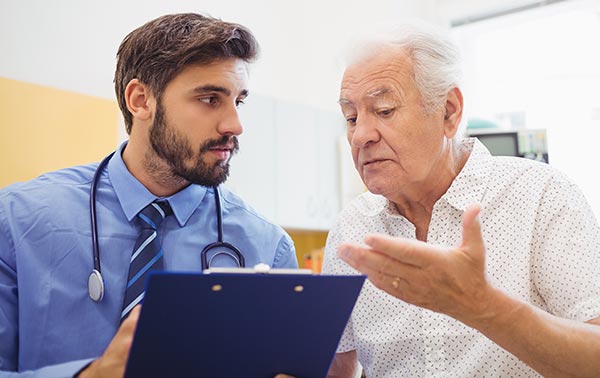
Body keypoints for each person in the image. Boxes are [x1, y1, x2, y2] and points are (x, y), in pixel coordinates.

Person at [0, 13, 297, 377]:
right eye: (209, 99)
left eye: (239, 101)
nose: (234, 125)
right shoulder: (17, 221)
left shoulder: (267, 247)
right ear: (140, 100)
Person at [321, 22, 600, 377]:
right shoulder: (351, 229)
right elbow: (332, 370)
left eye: (385, 109)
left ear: (449, 112)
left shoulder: (541, 196)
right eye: (350, 117)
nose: (360, 135)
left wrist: (483, 306)